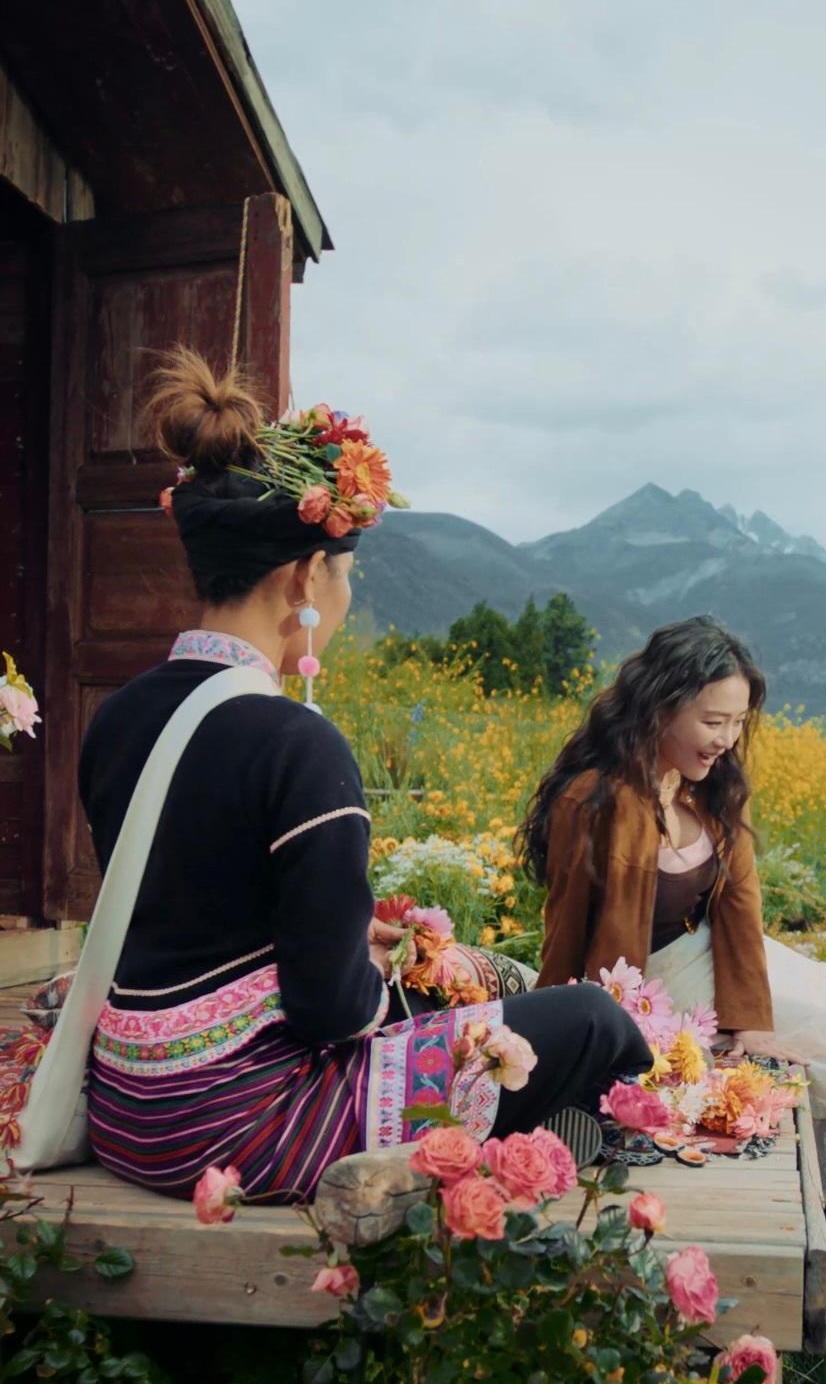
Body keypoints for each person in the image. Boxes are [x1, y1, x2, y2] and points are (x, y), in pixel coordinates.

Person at [79, 350, 648, 1203]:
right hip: (243, 1127)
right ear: (306, 576)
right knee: (593, 1020)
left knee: (481, 983)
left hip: (127, 1112)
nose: (344, 600)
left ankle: (530, 1121)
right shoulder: (296, 743)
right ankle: (525, 1140)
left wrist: (362, 951)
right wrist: (380, 972)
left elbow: (190, 923)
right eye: (345, 576)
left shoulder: (116, 719)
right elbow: (333, 1013)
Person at [518, 616, 826, 1201]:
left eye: (738, 722)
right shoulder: (593, 799)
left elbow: (740, 906)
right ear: (661, 707)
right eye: (712, 720)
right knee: (822, 1040)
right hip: (648, 983)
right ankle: (825, 1204)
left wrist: (751, 1019)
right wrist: (554, 1034)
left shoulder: (711, 788)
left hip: (717, 959)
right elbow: (566, 926)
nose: (726, 738)